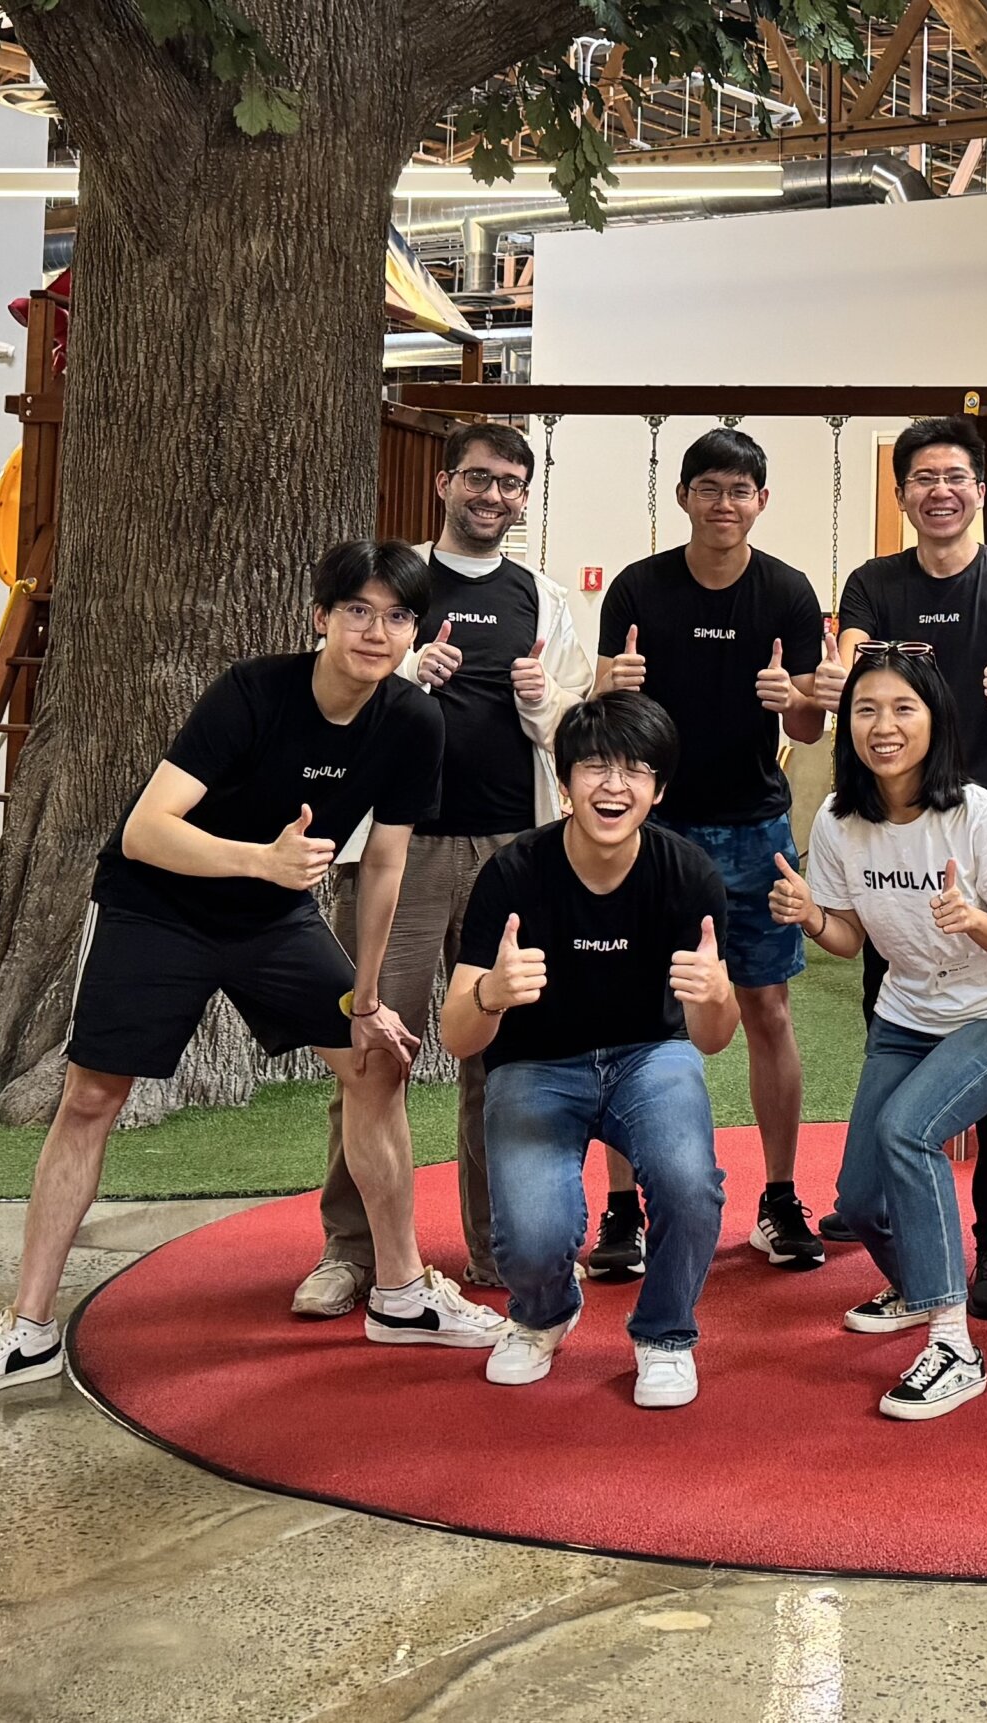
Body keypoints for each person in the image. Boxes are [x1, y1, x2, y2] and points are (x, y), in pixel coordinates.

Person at [0, 542, 503, 1404]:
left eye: (397, 616)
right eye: (357, 611)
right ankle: (27, 1328)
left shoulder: (414, 720)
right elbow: (145, 830)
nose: (376, 632)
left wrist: (368, 997)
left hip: (272, 920)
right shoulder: (253, 692)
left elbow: (385, 862)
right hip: (158, 907)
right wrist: (261, 860)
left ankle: (401, 1293)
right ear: (322, 617)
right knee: (92, 1095)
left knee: (374, 1061)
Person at [291, 422, 593, 1318]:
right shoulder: (395, 585)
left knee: (504, 1058)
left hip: (511, 852)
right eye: (479, 478)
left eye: (510, 484)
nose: (493, 496)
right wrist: (406, 673)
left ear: (524, 497)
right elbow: (332, 694)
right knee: (368, 1051)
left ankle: (503, 1245)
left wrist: (546, 700)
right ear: (445, 483)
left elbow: (573, 720)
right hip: (399, 849)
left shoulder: (541, 596)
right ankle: (352, 1250)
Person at [769, 646, 987, 1420]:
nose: (883, 726)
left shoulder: (977, 813)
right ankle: (919, 1283)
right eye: (866, 710)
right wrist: (811, 916)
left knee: (908, 1129)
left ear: (935, 720)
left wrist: (974, 920)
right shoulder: (838, 819)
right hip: (906, 1014)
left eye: (902, 709)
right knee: (860, 1201)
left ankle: (954, 1342)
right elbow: (849, 939)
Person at [814, 416, 987, 1322]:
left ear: (980, 491)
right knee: (899, 1005)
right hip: (887, 821)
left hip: (973, 822)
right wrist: (831, 684)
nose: (940, 491)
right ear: (903, 492)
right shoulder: (876, 582)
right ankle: (900, 1211)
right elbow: (849, 667)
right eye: (923, 478)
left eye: (956, 476)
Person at [440, 692, 737, 1408]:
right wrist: (492, 994)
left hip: (650, 1055)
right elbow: (456, 1034)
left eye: (636, 770)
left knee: (690, 1182)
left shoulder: (688, 873)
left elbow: (713, 1037)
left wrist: (714, 995)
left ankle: (666, 1332)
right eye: (596, 766)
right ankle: (543, 1311)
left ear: (658, 790)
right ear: (565, 779)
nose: (614, 785)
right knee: (532, 1235)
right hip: (535, 1065)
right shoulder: (513, 873)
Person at [588, 429, 828, 1277]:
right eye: (710, 488)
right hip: (652, 829)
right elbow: (603, 703)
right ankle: (624, 1206)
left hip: (754, 826)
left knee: (768, 1009)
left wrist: (794, 698)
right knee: (634, 1011)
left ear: (761, 501)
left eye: (740, 490)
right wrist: (608, 685)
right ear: (684, 495)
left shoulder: (788, 592)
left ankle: (780, 1196)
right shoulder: (639, 587)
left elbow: (809, 726)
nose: (725, 504)